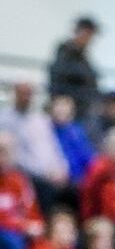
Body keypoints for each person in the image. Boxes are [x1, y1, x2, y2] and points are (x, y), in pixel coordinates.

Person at [0, 83, 70, 215]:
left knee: (73, 190)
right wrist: (43, 173)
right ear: (15, 94)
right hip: (24, 172)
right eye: (23, 93)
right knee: (43, 188)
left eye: (29, 94)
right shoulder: (5, 119)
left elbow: (53, 147)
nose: (26, 97)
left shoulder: (40, 120)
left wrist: (62, 168)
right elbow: (16, 156)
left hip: (49, 172)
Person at [49, 16, 100, 121]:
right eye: (88, 33)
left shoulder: (83, 57)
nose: (90, 39)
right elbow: (60, 77)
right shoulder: (66, 52)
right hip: (69, 110)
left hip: (83, 109)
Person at [0, 131, 46, 249]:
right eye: (2, 151)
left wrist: (36, 225)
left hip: (21, 232)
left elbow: (32, 210)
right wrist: (22, 226)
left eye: (9, 152)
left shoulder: (19, 180)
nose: (5, 156)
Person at [50, 95, 95, 186]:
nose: (61, 111)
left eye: (64, 110)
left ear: (71, 114)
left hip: (76, 179)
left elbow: (88, 157)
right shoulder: (46, 130)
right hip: (53, 176)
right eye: (58, 108)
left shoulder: (76, 132)